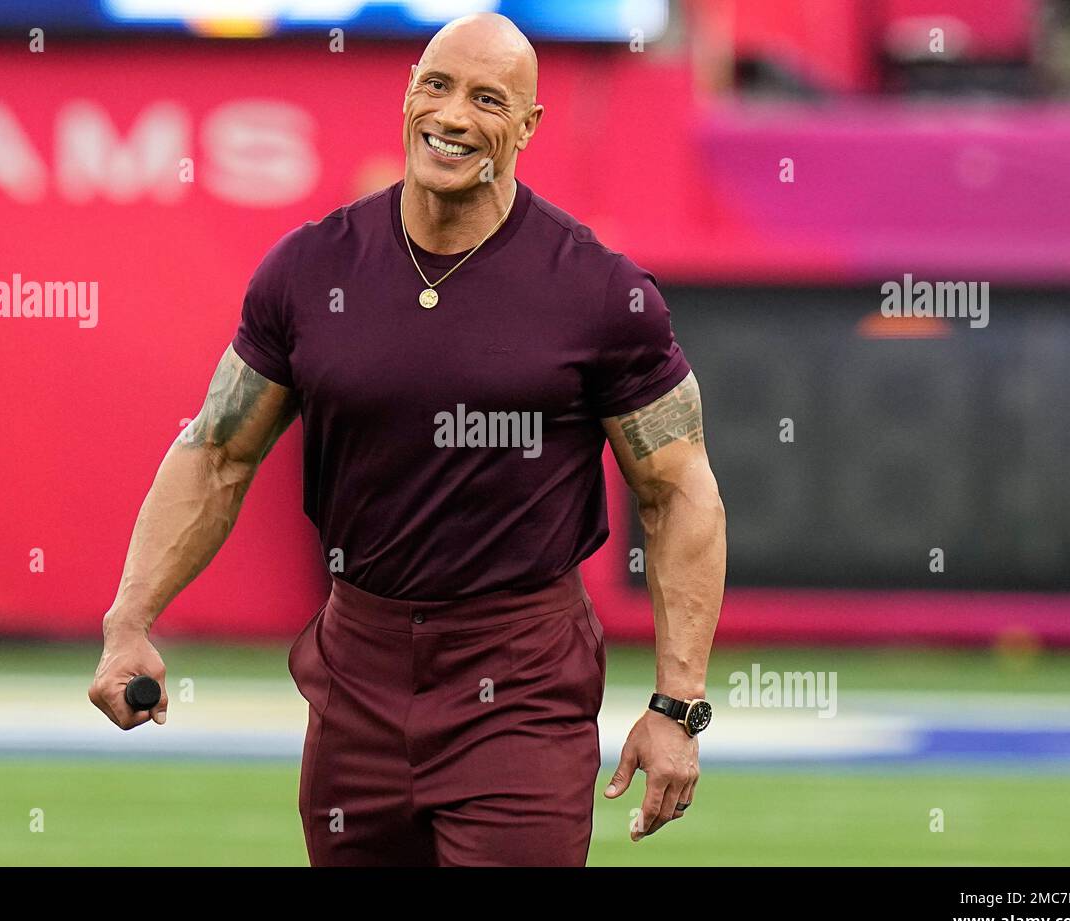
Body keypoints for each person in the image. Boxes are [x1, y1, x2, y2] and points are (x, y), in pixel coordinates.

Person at [90, 12, 726, 866]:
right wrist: (130, 620)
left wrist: (678, 704)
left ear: (530, 126)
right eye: (437, 84)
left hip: (521, 678)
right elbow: (215, 452)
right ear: (407, 95)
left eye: (487, 99)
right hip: (357, 671)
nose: (454, 115)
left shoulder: (600, 292)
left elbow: (679, 488)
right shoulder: (311, 269)